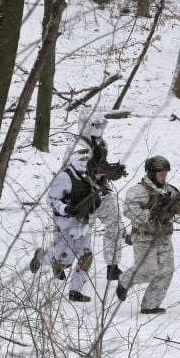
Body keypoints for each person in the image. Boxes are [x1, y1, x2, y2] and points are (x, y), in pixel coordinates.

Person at [28, 149, 104, 302]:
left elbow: (94, 196)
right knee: (63, 262)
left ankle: (75, 292)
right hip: (65, 225)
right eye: (81, 158)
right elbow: (51, 200)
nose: (85, 161)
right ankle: (40, 257)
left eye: (86, 158)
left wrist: (100, 182)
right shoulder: (64, 177)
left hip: (83, 223)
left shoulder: (87, 176)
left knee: (86, 257)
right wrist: (65, 208)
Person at [115, 156, 180, 315]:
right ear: (151, 173)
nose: (164, 177)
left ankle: (150, 305)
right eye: (160, 173)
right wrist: (149, 214)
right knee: (147, 271)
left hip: (163, 237)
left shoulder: (170, 190)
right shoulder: (138, 191)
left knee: (165, 272)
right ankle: (125, 280)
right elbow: (128, 210)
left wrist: (177, 208)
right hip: (144, 237)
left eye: (165, 173)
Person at [66, 108, 127, 281]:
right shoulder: (76, 146)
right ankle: (61, 263)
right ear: (86, 126)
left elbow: (102, 165)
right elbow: (70, 173)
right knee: (80, 235)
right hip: (83, 198)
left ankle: (112, 266)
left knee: (115, 223)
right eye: (96, 125)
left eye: (102, 125)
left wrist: (111, 172)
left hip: (101, 194)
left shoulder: (102, 144)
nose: (100, 128)